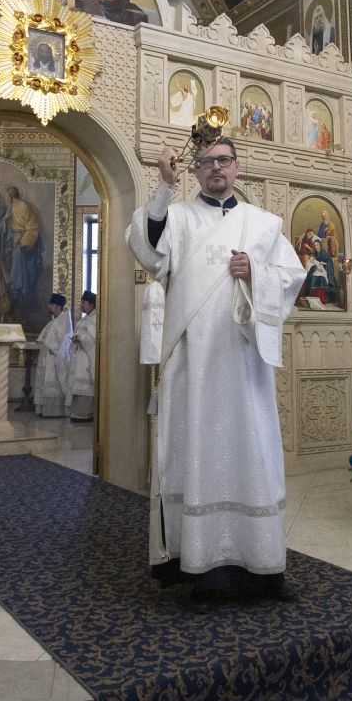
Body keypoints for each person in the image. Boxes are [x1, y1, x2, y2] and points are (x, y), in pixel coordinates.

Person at [127, 137, 307, 602]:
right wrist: (165, 187)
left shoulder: (263, 224)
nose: (215, 168)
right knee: (197, 452)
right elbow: (146, 248)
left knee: (253, 452)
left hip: (244, 365)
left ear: (237, 167)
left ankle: (262, 567)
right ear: (196, 171)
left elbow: (293, 277)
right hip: (193, 363)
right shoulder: (179, 216)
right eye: (206, 162)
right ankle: (202, 567)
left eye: (223, 160)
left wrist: (256, 273)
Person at [5, 185, 44, 313]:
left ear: (12, 195)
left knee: (24, 271)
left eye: (7, 195)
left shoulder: (23, 206)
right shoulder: (10, 207)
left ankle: (24, 299)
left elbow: (32, 226)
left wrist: (25, 242)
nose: (6, 197)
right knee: (15, 269)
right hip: (15, 241)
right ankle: (16, 297)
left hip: (25, 241)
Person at [34, 293, 72, 418]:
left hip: (53, 359)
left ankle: (55, 411)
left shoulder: (62, 322)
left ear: (58, 307)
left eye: (51, 305)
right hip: (46, 358)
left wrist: (52, 350)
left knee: (53, 384)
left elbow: (64, 342)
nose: (49, 307)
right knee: (44, 383)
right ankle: (44, 410)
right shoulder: (54, 321)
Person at [67, 290, 97, 423]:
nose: (81, 305)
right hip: (79, 355)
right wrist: (75, 339)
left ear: (91, 304)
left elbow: (93, 339)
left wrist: (80, 338)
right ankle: (76, 413)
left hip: (87, 358)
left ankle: (86, 414)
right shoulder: (84, 319)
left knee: (85, 386)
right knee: (77, 386)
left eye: (84, 303)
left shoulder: (95, 319)